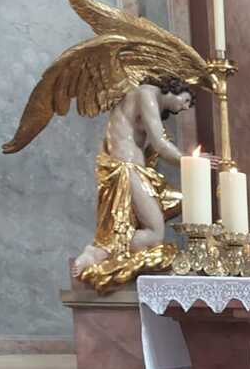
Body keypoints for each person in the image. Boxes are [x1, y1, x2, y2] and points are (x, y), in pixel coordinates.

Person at [74, 77, 196, 290]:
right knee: (155, 234)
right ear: (174, 89)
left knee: (178, 202)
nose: (185, 107)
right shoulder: (146, 93)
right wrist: (191, 161)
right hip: (127, 168)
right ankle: (98, 253)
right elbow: (159, 144)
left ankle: (107, 250)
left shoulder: (144, 100)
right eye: (185, 100)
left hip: (137, 170)